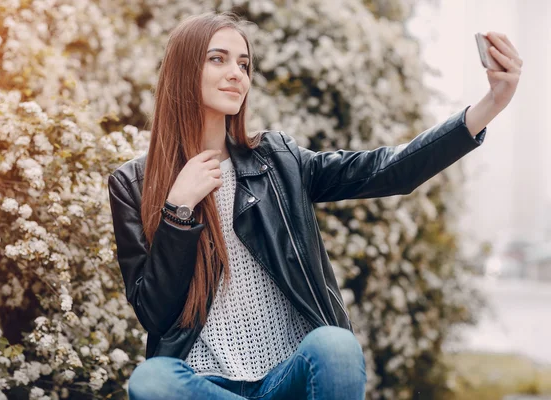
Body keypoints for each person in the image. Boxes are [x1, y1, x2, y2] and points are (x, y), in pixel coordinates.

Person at [107, 11, 522, 400]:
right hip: (203, 383)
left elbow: (387, 170)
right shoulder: (134, 185)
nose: (236, 73)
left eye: (244, 64)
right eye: (218, 59)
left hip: (291, 374)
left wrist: (491, 104)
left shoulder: (278, 160)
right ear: (183, 70)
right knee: (151, 379)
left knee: (335, 345)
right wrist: (178, 211)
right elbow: (156, 316)